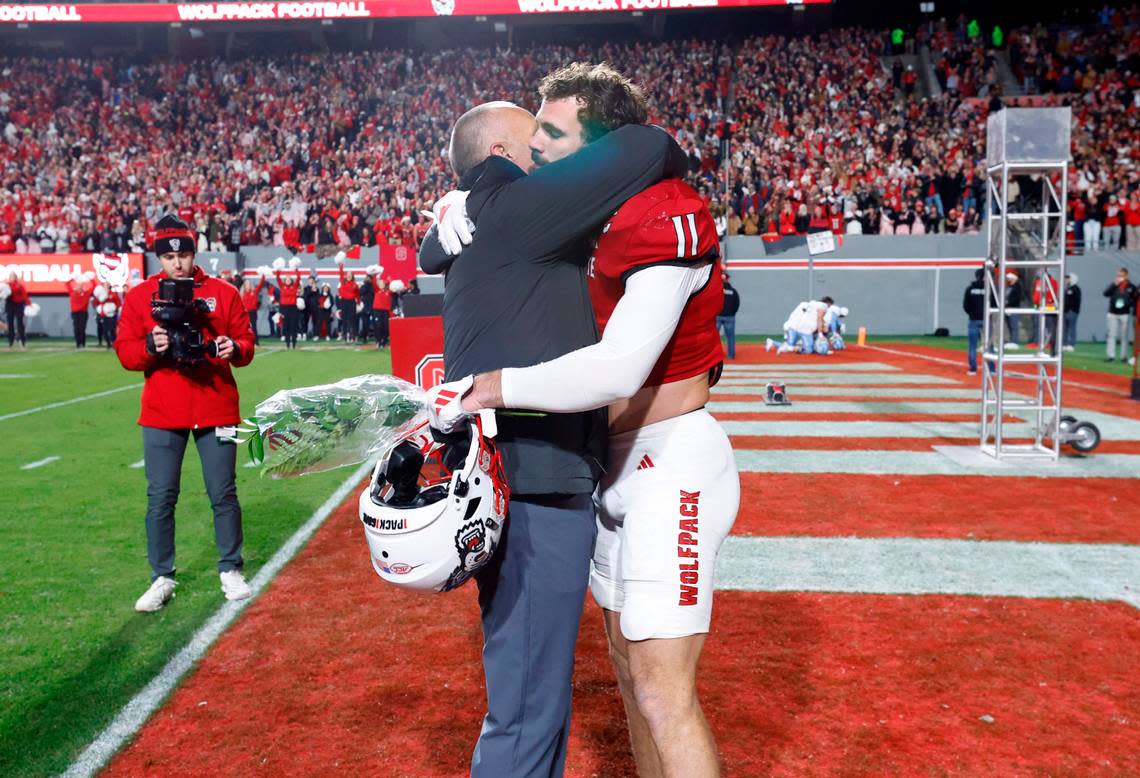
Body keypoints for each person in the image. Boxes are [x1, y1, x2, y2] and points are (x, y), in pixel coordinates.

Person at [430, 76, 738, 775]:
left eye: (554, 136)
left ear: (603, 150)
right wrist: (461, 199)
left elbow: (620, 368)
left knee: (662, 692)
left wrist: (497, 388)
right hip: (610, 465)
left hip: (670, 457)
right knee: (632, 685)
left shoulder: (667, 209)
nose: (536, 148)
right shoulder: (580, 215)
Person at [114, 215, 256, 612]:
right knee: (160, 498)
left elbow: (247, 342)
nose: (177, 263)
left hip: (217, 407)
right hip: (163, 411)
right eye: (169, 256)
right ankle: (162, 577)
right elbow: (125, 352)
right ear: (159, 257)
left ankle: (230, 567)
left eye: (185, 254)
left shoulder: (223, 293)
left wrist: (234, 349)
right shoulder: (141, 296)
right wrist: (149, 345)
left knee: (223, 493)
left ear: (195, 253)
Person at [1104, 267, 1138, 362]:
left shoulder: (1131, 287)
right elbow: (1105, 293)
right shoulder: (1114, 285)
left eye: (1121, 276)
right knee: (1111, 335)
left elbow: (1135, 299)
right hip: (1112, 313)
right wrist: (1114, 285)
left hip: (1125, 313)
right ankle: (1111, 356)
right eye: (1118, 275)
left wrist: (1128, 303)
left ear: (1126, 276)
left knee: (1124, 336)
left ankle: (1124, 356)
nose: (1119, 277)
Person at [963, 268, 986, 374]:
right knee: (989, 346)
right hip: (986, 319)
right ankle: (992, 369)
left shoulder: (970, 289)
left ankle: (973, 369)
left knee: (972, 346)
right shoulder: (990, 289)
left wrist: (972, 313)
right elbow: (995, 304)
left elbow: (965, 305)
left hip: (973, 319)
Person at [65, 272, 96, 349]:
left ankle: (83, 343)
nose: (79, 287)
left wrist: (91, 279)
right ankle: (78, 344)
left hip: (83, 313)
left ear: (83, 287)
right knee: (76, 328)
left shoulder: (86, 293)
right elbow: (67, 284)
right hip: (75, 313)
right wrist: (73, 278)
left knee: (82, 328)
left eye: (81, 286)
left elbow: (94, 286)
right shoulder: (72, 293)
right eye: (78, 285)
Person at [274, 264, 302, 349]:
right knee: (286, 326)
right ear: (285, 280)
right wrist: (278, 270)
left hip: (293, 308)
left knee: (293, 326)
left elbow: (298, 278)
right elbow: (277, 279)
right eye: (287, 279)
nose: (288, 280)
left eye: (290, 279)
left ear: (291, 281)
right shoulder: (282, 287)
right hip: (284, 308)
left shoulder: (294, 287)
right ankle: (287, 344)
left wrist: (296, 270)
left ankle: (293, 344)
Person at [717, 271, 740, 360]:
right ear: (728, 279)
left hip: (718, 316)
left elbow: (711, 301)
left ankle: (715, 357)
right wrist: (732, 313)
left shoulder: (717, 290)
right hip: (730, 317)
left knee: (713, 338)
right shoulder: (733, 291)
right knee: (730, 337)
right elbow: (737, 303)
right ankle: (731, 355)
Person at [335, 260, 359, 343]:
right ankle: (345, 337)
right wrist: (341, 266)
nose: (349, 276)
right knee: (344, 320)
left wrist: (358, 303)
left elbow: (357, 295)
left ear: (352, 276)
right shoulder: (343, 282)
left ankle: (353, 336)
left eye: (350, 275)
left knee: (352, 320)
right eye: (347, 274)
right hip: (344, 302)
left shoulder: (355, 284)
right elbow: (341, 275)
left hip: (352, 303)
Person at [4, 271, 29, 349]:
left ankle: (22, 341)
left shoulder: (19, 286)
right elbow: (3, 294)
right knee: (10, 324)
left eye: (13, 276)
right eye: (10, 276)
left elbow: (24, 295)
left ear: (16, 278)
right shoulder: (5, 285)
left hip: (19, 305)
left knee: (20, 324)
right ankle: (11, 342)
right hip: (9, 305)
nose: (11, 278)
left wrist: (29, 304)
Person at [240, 275, 266, 344]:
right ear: (244, 286)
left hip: (253, 312)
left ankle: (256, 341)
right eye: (246, 284)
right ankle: (246, 341)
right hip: (245, 313)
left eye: (249, 284)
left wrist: (263, 276)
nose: (248, 285)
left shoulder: (254, 291)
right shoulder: (242, 294)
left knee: (253, 327)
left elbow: (260, 284)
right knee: (245, 328)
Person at [1062, 273, 1080, 352]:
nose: (1066, 280)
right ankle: (1064, 344)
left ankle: (1071, 344)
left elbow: (1075, 301)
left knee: (1072, 328)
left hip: (1072, 312)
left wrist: (1073, 310)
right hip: (1065, 311)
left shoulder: (1076, 288)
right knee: (1065, 328)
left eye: (1068, 278)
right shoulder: (1067, 288)